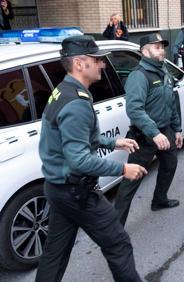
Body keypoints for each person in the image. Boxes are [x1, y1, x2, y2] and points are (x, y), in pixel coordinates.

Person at [35, 35, 147, 282]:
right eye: (96, 60)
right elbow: (79, 160)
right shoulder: (76, 103)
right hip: (76, 192)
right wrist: (122, 169)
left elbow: (75, 139)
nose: (103, 65)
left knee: (54, 253)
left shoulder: (64, 91)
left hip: (58, 188)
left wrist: (113, 142)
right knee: (118, 243)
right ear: (79, 63)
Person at [114, 33, 182, 226]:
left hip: (165, 131)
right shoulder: (139, 75)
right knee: (131, 181)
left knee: (170, 165)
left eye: (162, 46)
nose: (162, 49)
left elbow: (170, 102)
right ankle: (115, 228)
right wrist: (154, 133)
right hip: (145, 136)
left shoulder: (164, 70)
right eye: (157, 46)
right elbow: (134, 110)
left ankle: (159, 200)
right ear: (145, 51)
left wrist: (177, 129)